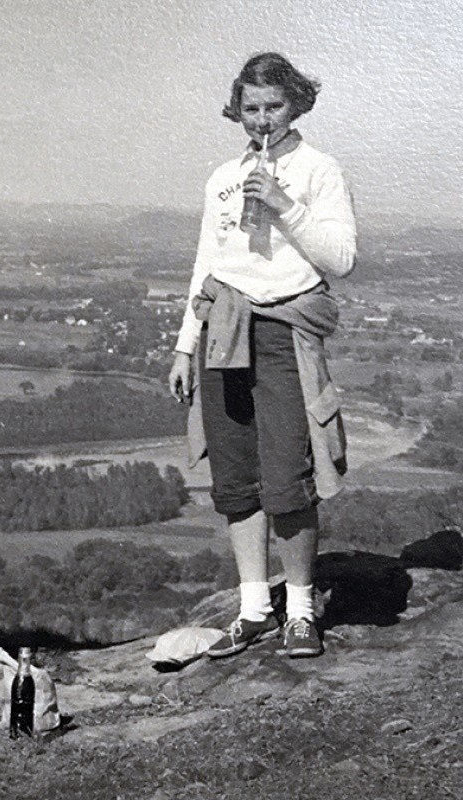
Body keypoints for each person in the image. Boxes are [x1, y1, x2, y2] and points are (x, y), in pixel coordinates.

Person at [168, 52, 356, 659]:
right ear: (237, 111)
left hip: (282, 333)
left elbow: (341, 259)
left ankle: (300, 610)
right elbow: (207, 263)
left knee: (288, 478)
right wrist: (183, 345)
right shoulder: (222, 175)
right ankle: (254, 608)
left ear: (297, 104)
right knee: (236, 478)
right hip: (222, 328)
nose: (262, 118)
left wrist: (283, 204)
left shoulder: (319, 169)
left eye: (274, 105)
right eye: (250, 108)